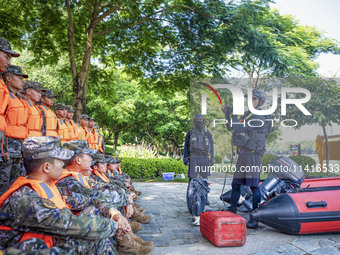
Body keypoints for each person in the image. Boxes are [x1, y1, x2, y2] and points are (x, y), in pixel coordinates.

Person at [0, 136, 121, 254]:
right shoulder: (25, 199)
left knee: (92, 236)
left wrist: (112, 211)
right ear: (46, 167)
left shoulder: (48, 186)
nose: (63, 165)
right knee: (88, 237)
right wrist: (116, 225)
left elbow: (87, 200)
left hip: (39, 245)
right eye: (60, 161)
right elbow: (71, 223)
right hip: (26, 249)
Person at [222, 89, 271, 229]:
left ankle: (255, 217)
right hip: (243, 155)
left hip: (253, 155)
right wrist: (227, 113)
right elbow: (231, 126)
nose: (250, 101)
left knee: (254, 186)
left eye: (254, 99)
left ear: (260, 101)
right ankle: (232, 209)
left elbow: (238, 126)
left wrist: (233, 113)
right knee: (236, 184)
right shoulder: (248, 115)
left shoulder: (259, 117)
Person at [0, 65, 28, 195]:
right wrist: (3, 149)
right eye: (19, 77)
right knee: (3, 183)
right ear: (9, 79)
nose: (22, 81)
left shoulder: (19, 99)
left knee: (16, 182)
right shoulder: (5, 96)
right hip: (7, 146)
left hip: (18, 147)